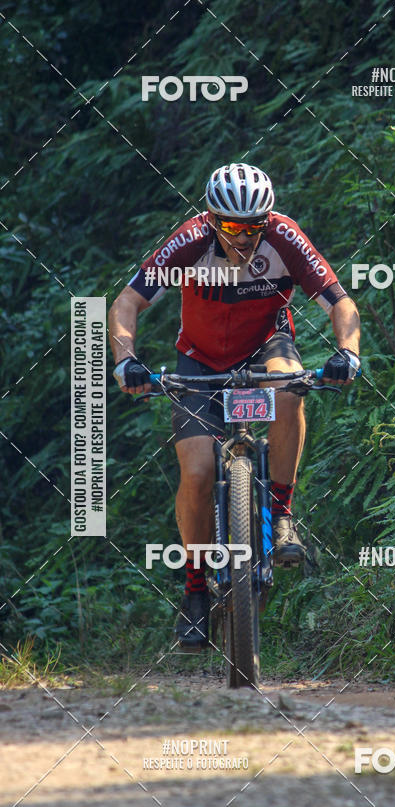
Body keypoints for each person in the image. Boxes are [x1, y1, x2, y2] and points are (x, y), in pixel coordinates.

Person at [108, 163, 360, 650]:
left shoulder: (283, 236)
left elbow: (340, 302)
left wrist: (348, 352)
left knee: (290, 389)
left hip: (268, 345)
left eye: (254, 227)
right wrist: (126, 361)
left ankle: (282, 515)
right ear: (210, 218)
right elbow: (126, 303)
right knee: (199, 473)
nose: (244, 238)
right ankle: (196, 590)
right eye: (232, 227)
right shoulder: (187, 243)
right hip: (198, 362)